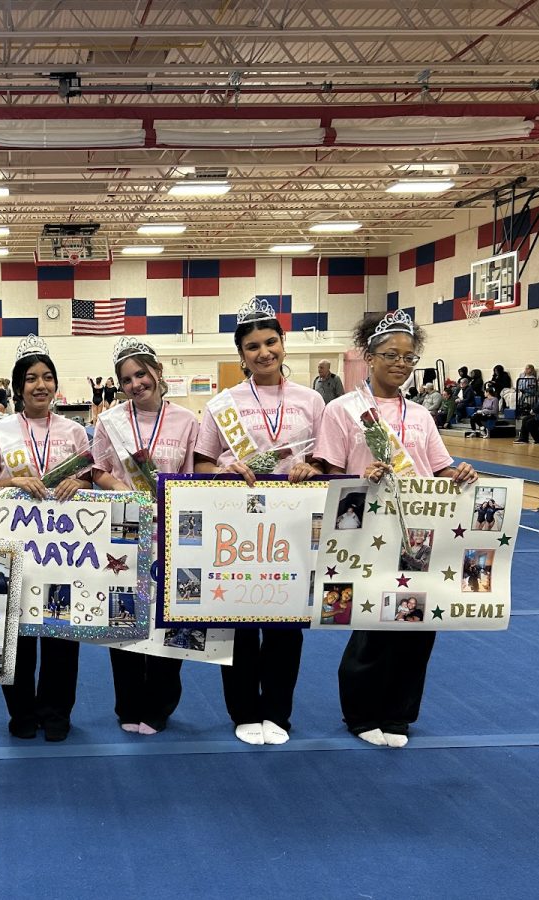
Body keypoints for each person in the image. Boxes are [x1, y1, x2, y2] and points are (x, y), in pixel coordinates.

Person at [315, 310, 478, 748]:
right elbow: (327, 475)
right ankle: (362, 713)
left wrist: (458, 473)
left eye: (410, 358)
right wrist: (360, 476)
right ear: (369, 356)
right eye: (391, 355)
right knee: (371, 625)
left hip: (421, 533)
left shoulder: (421, 414)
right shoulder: (342, 410)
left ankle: (399, 714)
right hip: (367, 531)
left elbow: (439, 468)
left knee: (418, 624)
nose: (401, 364)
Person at [194, 297, 325, 746]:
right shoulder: (223, 403)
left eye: (271, 342)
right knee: (241, 620)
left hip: (292, 524)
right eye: (253, 346)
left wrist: (315, 470)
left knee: (287, 624)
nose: (263, 352)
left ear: (284, 344)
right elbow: (201, 466)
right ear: (241, 354)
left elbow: (326, 462)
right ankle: (244, 710)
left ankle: (278, 712)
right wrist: (224, 470)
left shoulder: (312, 400)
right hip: (237, 524)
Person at [0, 336, 94, 742]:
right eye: (31, 379)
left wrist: (77, 484)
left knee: (63, 632)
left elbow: (90, 480)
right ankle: (22, 713)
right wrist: (14, 481)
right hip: (15, 546)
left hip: (64, 549)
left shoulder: (76, 431)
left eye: (47, 377)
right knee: (17, 634)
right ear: (18, 386)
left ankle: (57, 712)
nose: (40, 385)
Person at [92, 338, 199, 736]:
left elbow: (195, 475)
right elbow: (97, 470)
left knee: (168, 619)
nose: (136, 384)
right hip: (124, 529)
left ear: (157, 372)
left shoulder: (187, 421)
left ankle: (159, 705)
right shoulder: (110, 421)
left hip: (172, 529)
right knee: (124, 615)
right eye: (127, 379)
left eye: (141, 374)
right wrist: (126, 492)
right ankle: (128, 704)